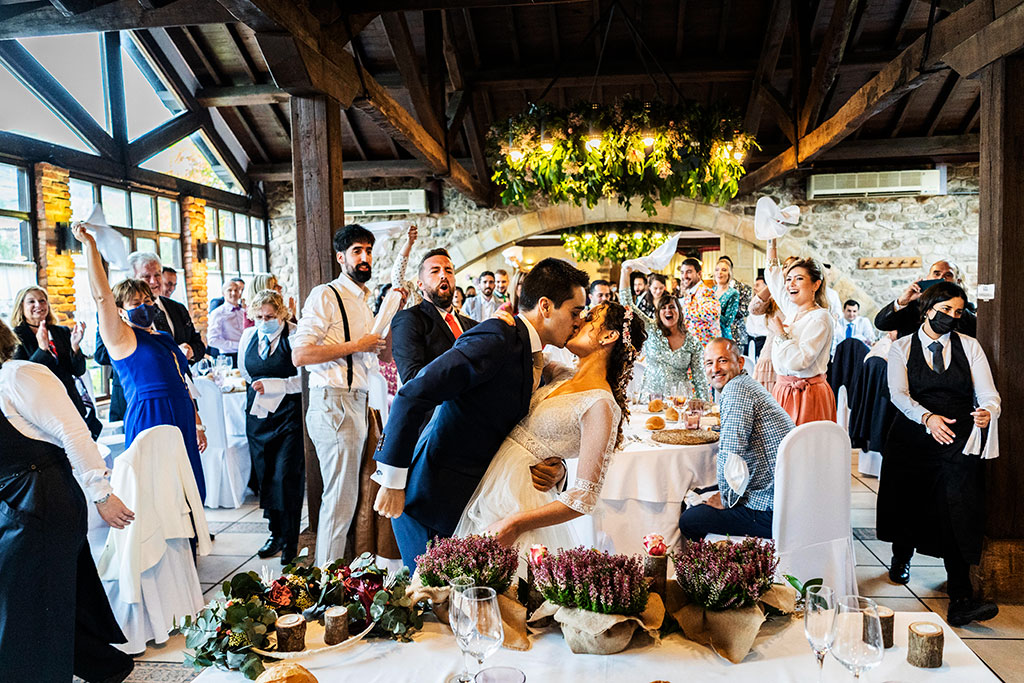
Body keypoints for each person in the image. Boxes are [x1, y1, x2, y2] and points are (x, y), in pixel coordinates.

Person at [372, 258, 588, 570]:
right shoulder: (496, 337)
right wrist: (392, 478)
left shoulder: (535, 358)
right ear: (545, 306)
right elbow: (414, 391)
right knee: (433, 605)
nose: (578, 322)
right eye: (575, 312)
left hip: (478, 501)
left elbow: (529, 429)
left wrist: (559, 470)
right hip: (432, 499)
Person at [0, 319, 135, 683]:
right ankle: (107, 667)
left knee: (24, 599)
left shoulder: (19, 376)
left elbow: (73, 432)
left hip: (43, 498)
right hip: (11, 502)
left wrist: (101, 493)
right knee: (47, 592)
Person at [454, 302, 647, 553]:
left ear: (609, 336)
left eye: (588, 319)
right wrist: (501, 323)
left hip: (521, 503)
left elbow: (584, 498)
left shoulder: (602, 405)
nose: (577, 322)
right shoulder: (561, 375)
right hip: (490, 483)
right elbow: (526, 343)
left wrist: (514, 525)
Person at [877, 282, 999, 626]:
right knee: (907, 501)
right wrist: (927, 418)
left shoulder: (970, 346)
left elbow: (989, 393)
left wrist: (988, 411)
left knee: (958, 507)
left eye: (958, 312)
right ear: (927, 308)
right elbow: (898, 394)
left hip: (957, 438)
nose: (951, 318)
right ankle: (901, 557)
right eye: (945, 310)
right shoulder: (901, 347)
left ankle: (960, 597)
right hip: (912, 435)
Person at [293, 224, 402, 566]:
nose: (365, 258)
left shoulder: (365, 303)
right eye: (357, 251)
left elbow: (378, 357)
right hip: (333, 402)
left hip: (358, 403)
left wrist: (392, 322)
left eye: (368, 251)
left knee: (350, 499)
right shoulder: (326, 295)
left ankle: (338, 576)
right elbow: (301, 354)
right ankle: (325, 584)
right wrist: (358, 345)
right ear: (341, 258)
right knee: (339, 500)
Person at [74, 225, 209, 501]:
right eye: (136, 302)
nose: (145, 305)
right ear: (122, 310)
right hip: (151, 414)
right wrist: (89, 246)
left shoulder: (162, 337)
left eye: (147, 299)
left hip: (181, 411)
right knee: (158, 488)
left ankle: (191, 540)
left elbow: (182, 380)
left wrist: (196, 420)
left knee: (187, 486)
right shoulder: (121, 337)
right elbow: (102, 296)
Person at [679, 338, 794, 540]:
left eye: (722, 360)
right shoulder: (746, 384)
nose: (715, 368)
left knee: (690, 519)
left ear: (739, 363)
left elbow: (732, 453)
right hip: (783, 490)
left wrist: (726, 499)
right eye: (709, 363)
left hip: (772, 508)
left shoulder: (736, 390)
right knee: (698, 492)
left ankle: (713, 568)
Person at [94, 251, 206, 421]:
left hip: (180, 394)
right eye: (146, 276)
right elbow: (101, 354)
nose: (154, 281)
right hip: (136, 399)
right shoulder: (115, 317)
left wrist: (191, 351)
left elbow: (198, 344)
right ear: (132, 278)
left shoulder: (177, 308)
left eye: (158, 275)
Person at [238, 290, 304, 564]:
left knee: (285, 476)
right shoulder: (248, 337)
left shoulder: (295, 335)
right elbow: (245, 370)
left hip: (288, 417)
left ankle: (291, 539)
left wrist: (277, 386)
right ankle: (274, 533)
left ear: (282, 315)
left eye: (270, 316)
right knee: (266, 477)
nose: (264, 321)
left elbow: (304, 379)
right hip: (258, 416)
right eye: (260, 317)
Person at [10, 286, 98, 438]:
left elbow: (78, 371)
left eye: (42, 301)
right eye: (31, 301)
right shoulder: (16, 337)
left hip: (70, 404)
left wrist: (75, 347)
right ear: (21, 307)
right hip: (41, 410)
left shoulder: (61, 331)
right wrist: (42, 350)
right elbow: (23, 378)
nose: (38, 305)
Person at [765, 245, 836, 424]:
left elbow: (799, 362)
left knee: (805, 449)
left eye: (798, 279)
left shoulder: (820, 318)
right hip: (782, 390)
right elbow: (774, 280)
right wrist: (771, 243)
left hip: (807, 395)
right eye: (788, 279)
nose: (790, 284)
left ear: (816, 284)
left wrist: (781, 333)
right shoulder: (792, 310)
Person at [391, 248, 477, 384]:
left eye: (449, 271)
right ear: (421, 285)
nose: (443, 275)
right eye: (435, 271)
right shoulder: (409, 320)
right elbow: (412, 379)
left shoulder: (473, 326)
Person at [620, 265, 707, 399]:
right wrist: (625, 272)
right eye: (663, 308)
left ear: (680, 312)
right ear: (658, 313)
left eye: (672, 307)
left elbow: (700, 379)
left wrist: (704, 405)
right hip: (650, 400)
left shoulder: (692, 342)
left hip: (680, 401)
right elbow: (627, 305)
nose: (668, 311)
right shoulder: (651, 328)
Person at [874, 260, 977, 338]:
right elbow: (881, 324)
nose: (941, 278)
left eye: (948, 275)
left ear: (957, 281)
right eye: (936, 274)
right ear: (928, 277)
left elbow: (973, 330)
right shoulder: (912, 304)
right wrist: (902, 301)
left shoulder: (965, 308)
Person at [678, 257, 721, 347]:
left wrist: (682, 313)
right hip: (692, 347)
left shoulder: (705, 291)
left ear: (699, 274)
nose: (684, 276)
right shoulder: (690, 292)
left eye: (689, 272)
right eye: (682, 272)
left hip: (707, 348)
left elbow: (712, 313)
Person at [208, 277, 246, 365]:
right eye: (230, 290)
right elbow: (212, 340)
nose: (233, 293)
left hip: (245, 354)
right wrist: (237, 345)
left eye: (236, 290)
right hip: (228, 357)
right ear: (223, 293)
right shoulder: (217, 313)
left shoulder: (243, 312)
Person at [713, 258, 740, 342]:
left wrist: (711, 312)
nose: (719, 273)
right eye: (717, 270)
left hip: (723, 337)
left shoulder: (733, 293)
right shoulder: (711, 291)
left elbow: (727, 322)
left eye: (724, 270)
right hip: (709, 335)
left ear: (729, 274)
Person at [746, 274, 770, 359]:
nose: (754, 287)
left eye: (758, 285)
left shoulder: (770, 303)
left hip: (763, 339)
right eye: (754, 285)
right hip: (751, 339)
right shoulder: (753, 302)